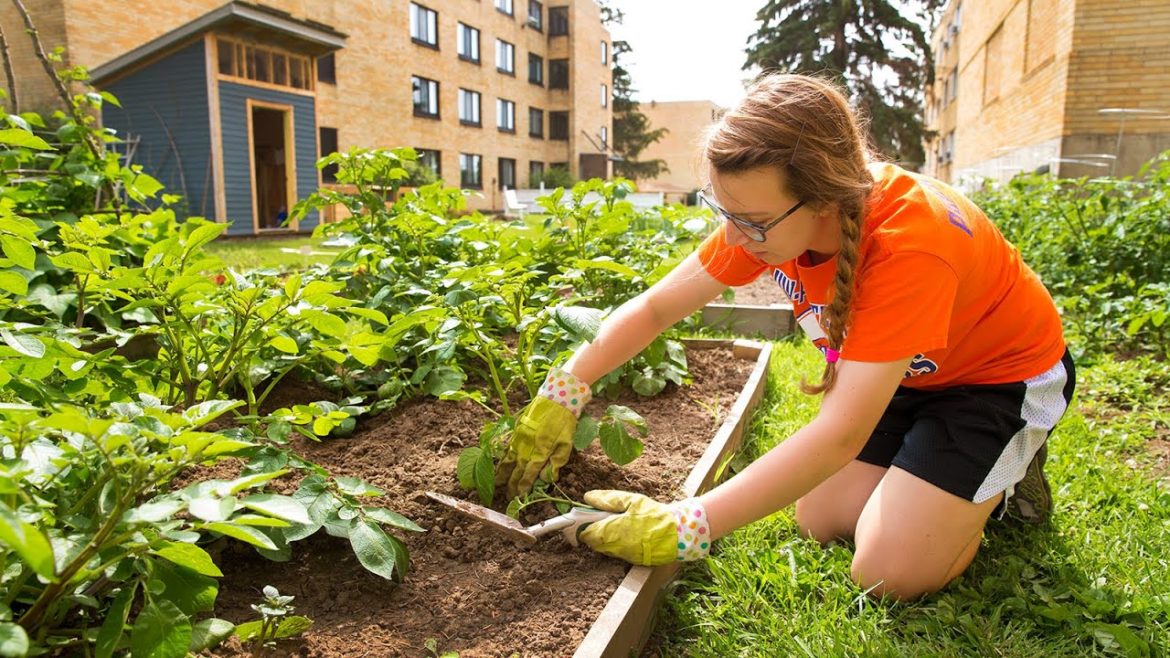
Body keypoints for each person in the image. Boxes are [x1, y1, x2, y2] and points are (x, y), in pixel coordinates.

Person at [495, 73, 1075, 600]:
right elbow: (653, 309)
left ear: (823, 197)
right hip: (905, 375)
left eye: (750, 222)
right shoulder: (766, 218)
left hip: (994, 383)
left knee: (889, 573)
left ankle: (1005, 477)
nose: (734, 239)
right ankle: (935, 475)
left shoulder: (912, 245)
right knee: (821, 520)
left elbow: (839, 436)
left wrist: (686, 524)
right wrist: (564, 391)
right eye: (723, 212)